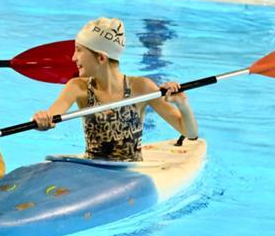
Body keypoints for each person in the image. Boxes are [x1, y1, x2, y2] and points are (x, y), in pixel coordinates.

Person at [32, 18, 198, 161]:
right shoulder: (77, 87)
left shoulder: (142, 87)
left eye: (79, 50)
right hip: (91, 167)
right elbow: (51, 119)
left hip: (129, 173)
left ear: (101, 57)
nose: (74, 57)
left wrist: (182, 104)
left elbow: (189, 134)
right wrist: (42, 120)